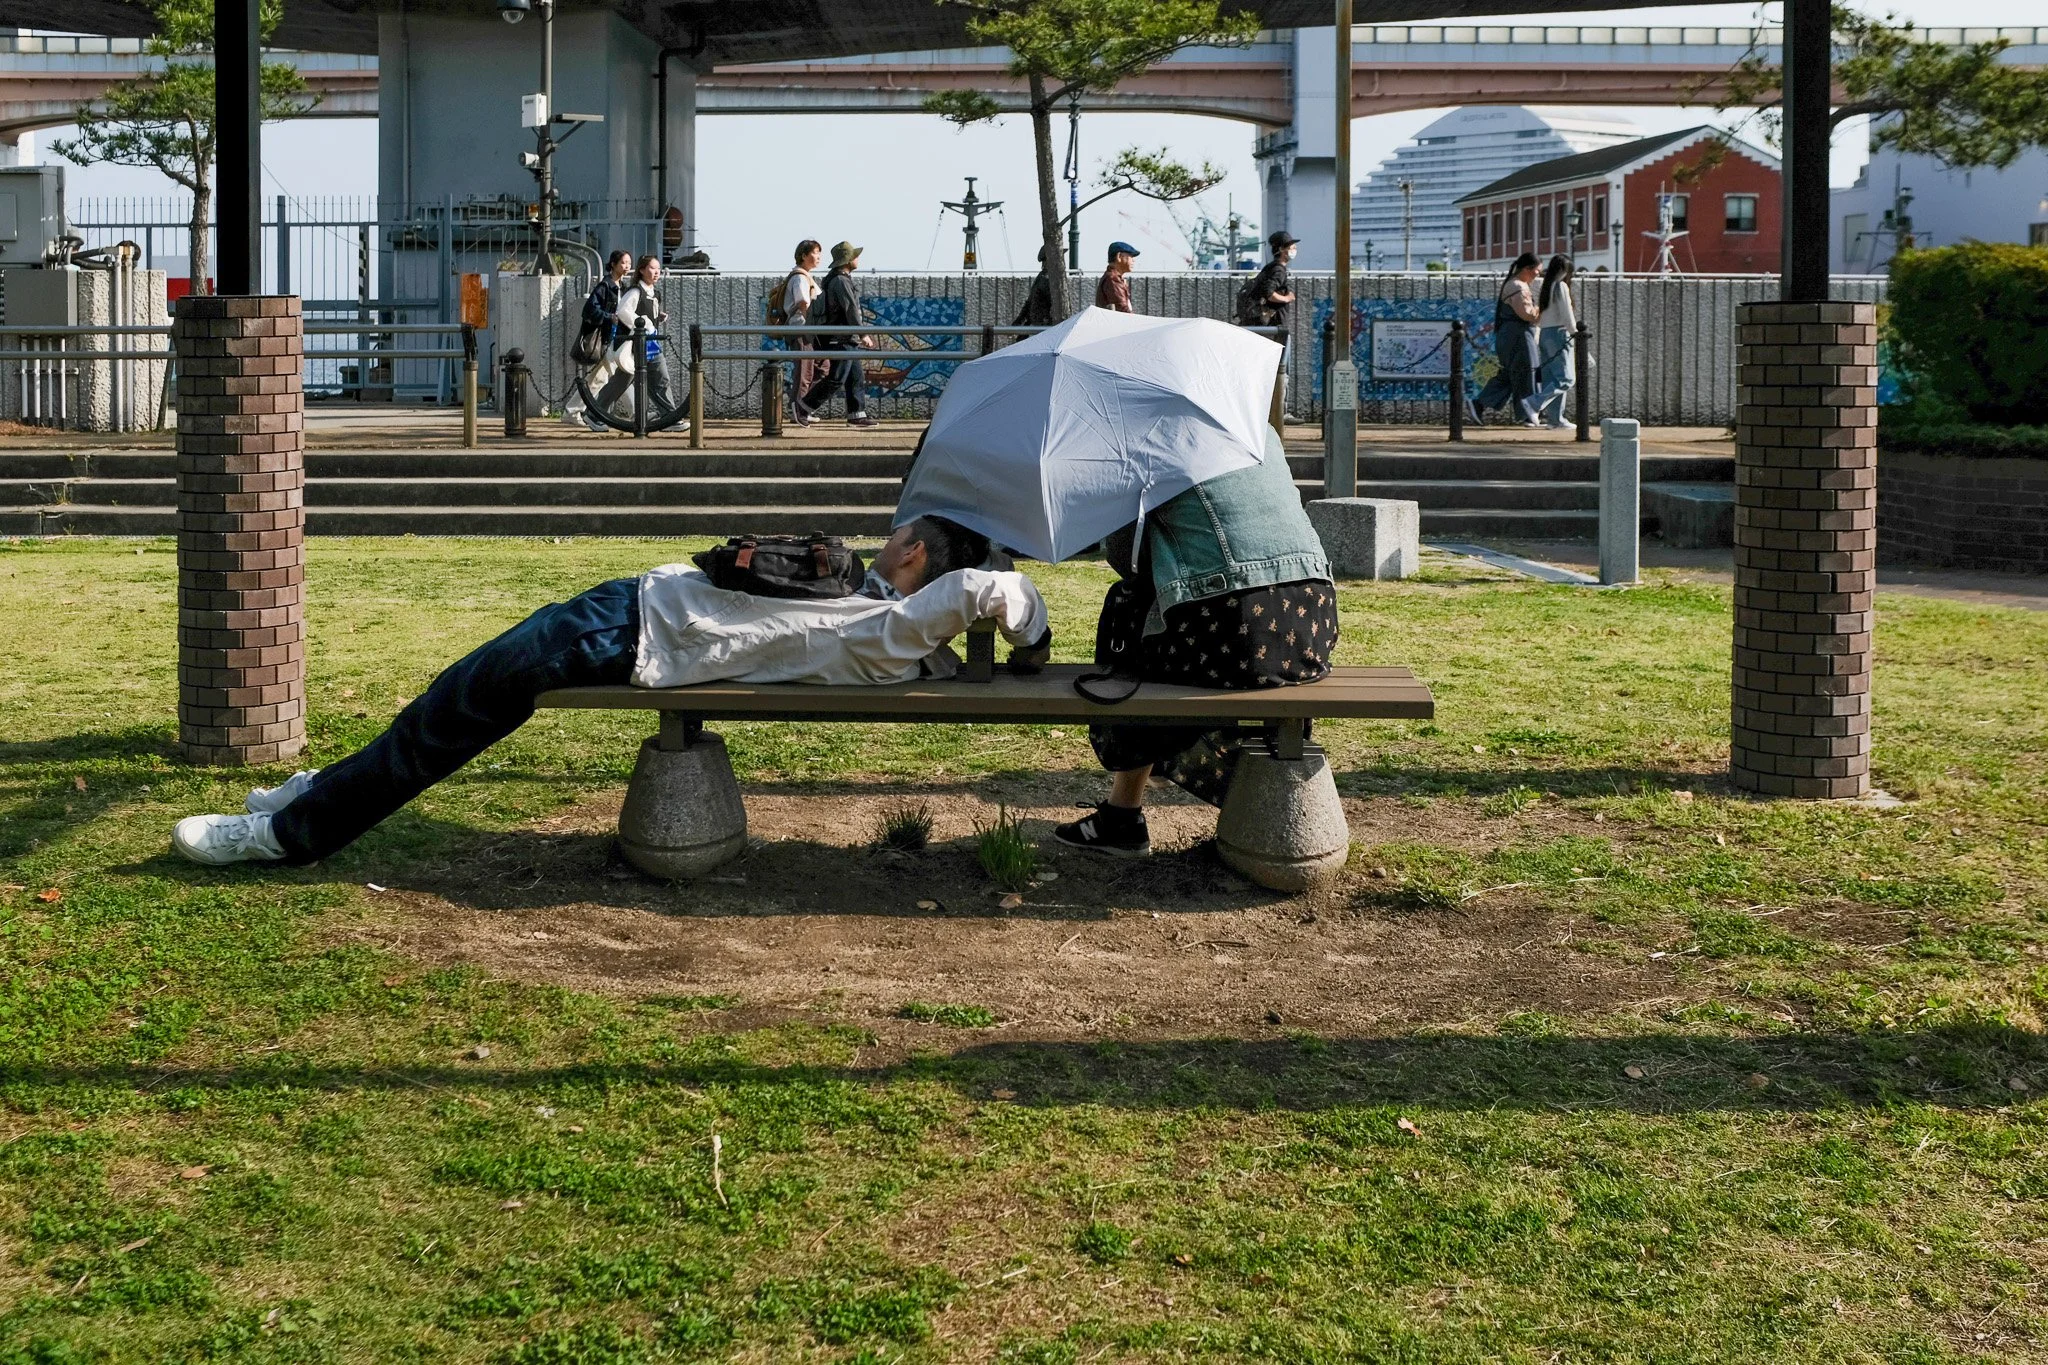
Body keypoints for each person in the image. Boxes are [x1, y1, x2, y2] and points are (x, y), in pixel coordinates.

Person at [171, 518, 1051, 867]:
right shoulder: (882, 612)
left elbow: (995, 592)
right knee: (450, 696)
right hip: (628, 613)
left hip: (626, 634)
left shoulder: (892, 629)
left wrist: (1031, 636)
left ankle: (290, 834)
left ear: (917, 555)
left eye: (901, 535)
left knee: (453, 711)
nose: (888, 535)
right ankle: (320, 791)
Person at [1052, 429, 1337, 858]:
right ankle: (1155, 770)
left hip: (1238, 625)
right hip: (1313, 621)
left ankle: (1125, 808)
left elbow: (1126, 558)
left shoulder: (1150, 436)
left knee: (1129, 608)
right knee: (1163, 622)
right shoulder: (1255, 426)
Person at [593, 255, 688, 430]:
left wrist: (657, 317)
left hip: (648, 344)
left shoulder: (654, 293)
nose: (656, 272)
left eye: (658, 268)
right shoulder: (636, 291)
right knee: (625, 382)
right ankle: (594, 414)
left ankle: (669, 417)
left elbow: (643, 312)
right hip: (635, 344)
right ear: (642, 270)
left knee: (657, 379)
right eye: (652, 268)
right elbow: (623, 311)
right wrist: (643, 325)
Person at [794, 241, 877, 428]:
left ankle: (857, 415)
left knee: (855, 377)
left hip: (846, 338)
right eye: (855, 256)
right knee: (836, 378)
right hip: (841, 338)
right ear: (847, 260)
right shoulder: (840, 281)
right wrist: (862, 334)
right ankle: (803, 407)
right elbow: (850, 309)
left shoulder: (839, 279)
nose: (857, 259)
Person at [1468, 252, 1543, 427]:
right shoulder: (1518, 286)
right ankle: (1527, 414)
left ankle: (1480, 404)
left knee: (1511, 374)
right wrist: (1542, 308)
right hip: (1519, 336)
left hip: (1511, 335)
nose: (1538, 275)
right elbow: (1527, 314)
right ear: (1527, 269)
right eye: (1537, 271)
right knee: (1526, 372)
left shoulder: (1513, 284)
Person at [566, 250, 632, 433]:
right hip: (605, 339)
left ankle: (573, 411)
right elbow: (589, 310)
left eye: (629, 263)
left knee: (605, 377)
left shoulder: (623, 287)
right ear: (613, 264)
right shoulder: (605, 286)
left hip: (615, 339)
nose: (627, 266)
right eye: (623, 263)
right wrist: (609, 317)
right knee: (615, 375)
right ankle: (635, 412)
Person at [775, 239, 826, 409]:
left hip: (806, 330)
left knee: (822, 368)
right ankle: (798, 409)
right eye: (815, 253)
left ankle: (804, 406)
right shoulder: (800, 277)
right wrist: (810, 323)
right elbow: (803, 302)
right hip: (802, 329)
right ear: (804, 256)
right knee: (805, 372)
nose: (818, 257)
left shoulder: (805, 276)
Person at [1530, 254, 1577, 429]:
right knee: (1566, 379)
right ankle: (1534, 403)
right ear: (1565, 271)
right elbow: (1567, 315)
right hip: (1559, 334)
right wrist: (1575, 332)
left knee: (1551, 379)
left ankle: (1555, 419)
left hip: (1545, 333)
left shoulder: (1546, 286)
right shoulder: (1561, 286)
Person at [1236, 230, 1298, 336]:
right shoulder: (1278, 270)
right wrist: (1287, 298)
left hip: (1264, 324)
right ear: (1281, 249)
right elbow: (1268, 293)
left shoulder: (1270, 267)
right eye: (1291, 247)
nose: (1294, 250)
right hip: (1273, 325)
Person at [1013, 246, 1056, 328]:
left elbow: (1029, 302)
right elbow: (1031, 301)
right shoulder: (1045, 279)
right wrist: (1019, 321)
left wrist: (1018, 321)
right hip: (1044, 324)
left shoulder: (1043, 277)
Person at [1095, 241, 1139, 313]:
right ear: (1119, 256)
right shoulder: (1113, 279)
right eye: (1131, 256)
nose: (1133, 260)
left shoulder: (1112, 277)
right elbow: (1122, 309)